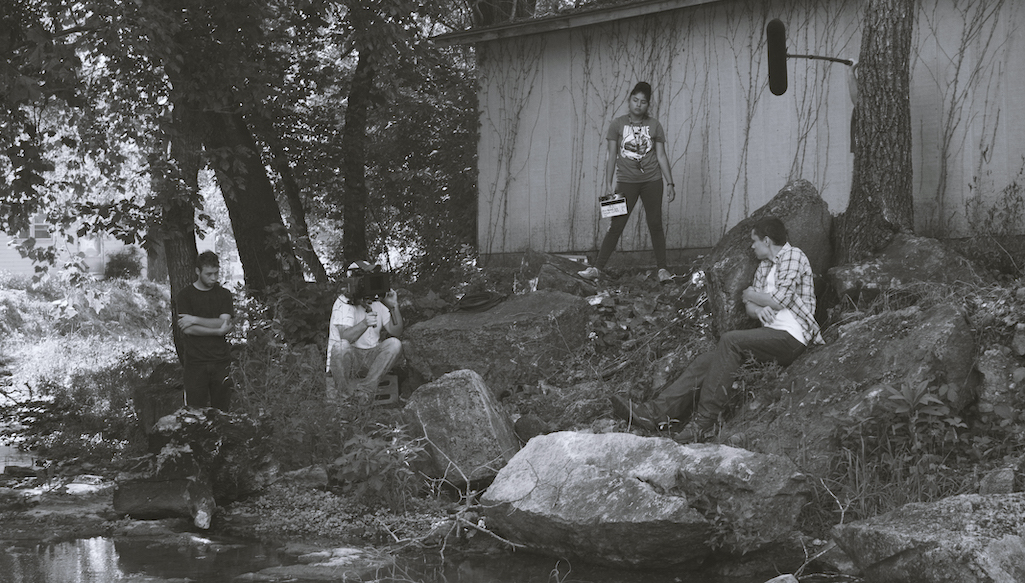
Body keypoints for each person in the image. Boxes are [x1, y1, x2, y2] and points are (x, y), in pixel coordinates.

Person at [610, 217, 823, 442]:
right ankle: (654, 414)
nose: (752, 246)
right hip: (768, 337)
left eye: (755, 241)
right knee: (705, 361)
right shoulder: (764, 266)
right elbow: (749, 308)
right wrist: (757, 307)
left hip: (792, 337)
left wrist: (751, 294)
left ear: (767, 241)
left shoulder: (793, 256)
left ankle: (703, 423)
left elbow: (779, 300)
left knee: (731, 341)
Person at [578, 81, 677, 284]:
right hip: (625, 182)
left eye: (643, 102)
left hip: (652, 181)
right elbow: (611, 155)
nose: (638, 105)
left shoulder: (655, 125)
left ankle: (663, 270)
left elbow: (661, 156)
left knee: (655, 224)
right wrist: (608, 183)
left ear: (648, 105)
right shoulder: (617, 124)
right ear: (629, 100)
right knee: (616, 225)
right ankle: (597, 268)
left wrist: (670, 183)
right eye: (635, 100)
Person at [326, 266, 404, 403]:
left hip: (371, 358)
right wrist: (364, 323)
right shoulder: (343, 302)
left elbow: (396, 331)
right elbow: (346, 337)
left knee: (395, 344)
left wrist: (394, 306)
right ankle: (344, 399)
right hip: (350, 360)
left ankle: (365, 392)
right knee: (341, 346)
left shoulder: (378, 301)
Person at [175, 251, 235, 410]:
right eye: (209, 274)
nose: (213, 278)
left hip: (221, 361)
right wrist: (217, 331)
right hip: (195, 362)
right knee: (194, 412)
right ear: (197, 271)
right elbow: (188, 329)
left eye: (216, 273)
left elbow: (224, 322)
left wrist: (195, 319)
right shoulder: (185, 296)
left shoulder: (224, 294)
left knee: (222, 412)